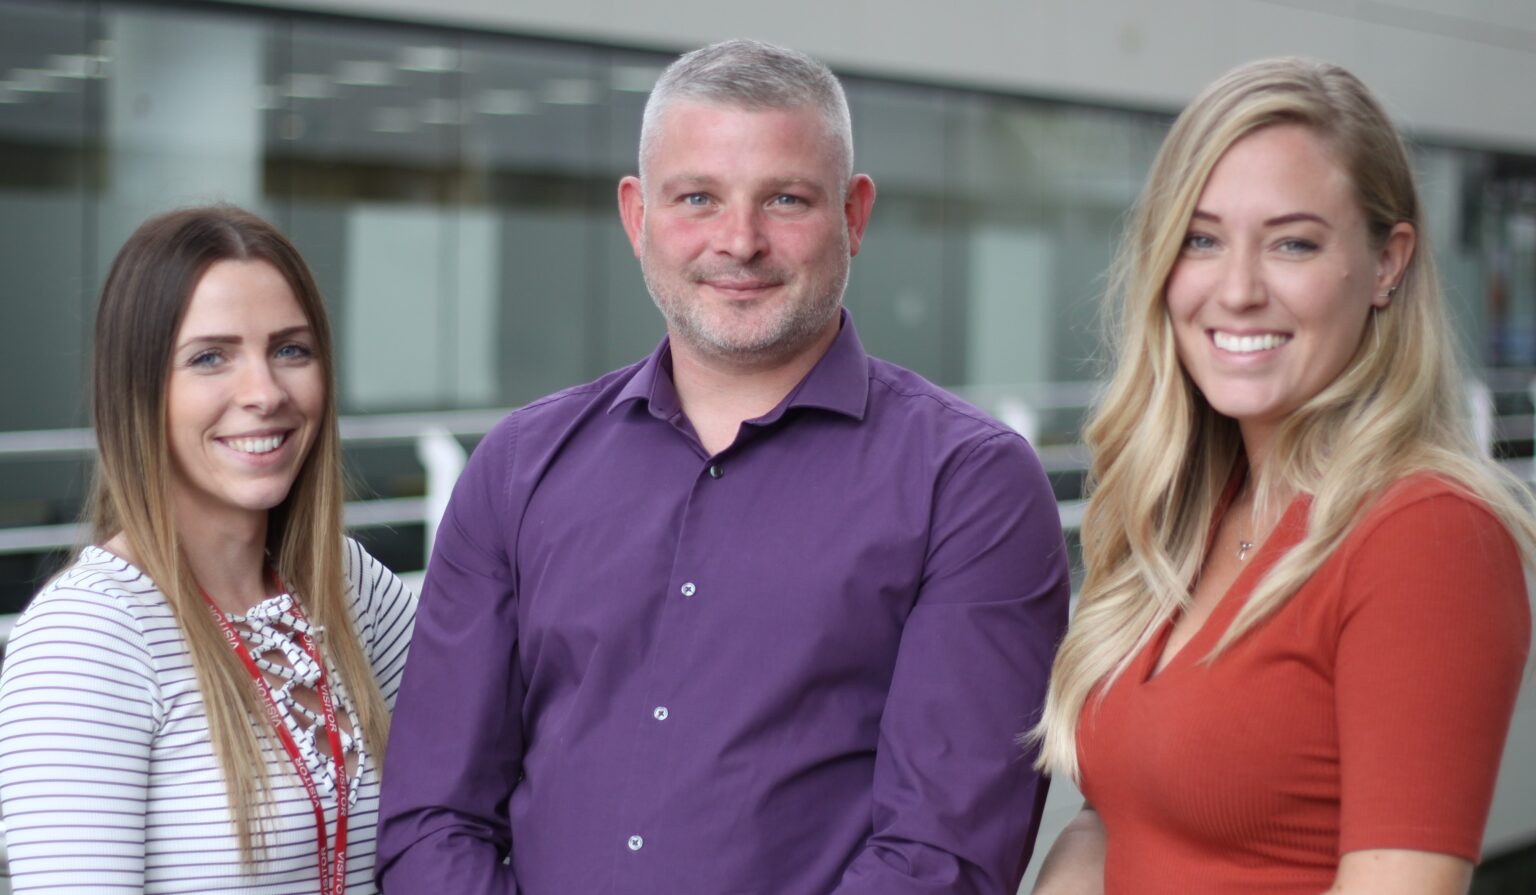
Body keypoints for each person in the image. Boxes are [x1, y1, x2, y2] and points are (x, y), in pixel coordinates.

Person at [377, 39, 1071, 895]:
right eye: (697, 198)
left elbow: (942, 855)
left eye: (785, 199)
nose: (739, 242)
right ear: (637, 215)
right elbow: (433, 819)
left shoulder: (970, 486)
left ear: (854, 214)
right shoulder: (517, 468)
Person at [1028, 58, 1534, 895]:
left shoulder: (1428, 533)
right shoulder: (1189, 509)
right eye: (1202, 238)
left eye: (1293, 242)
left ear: (1387, 263)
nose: (1237, 290)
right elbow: (1115, 817)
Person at [0, 206, 416, 894]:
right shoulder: (88, 634)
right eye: (209, 357)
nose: (265, 393)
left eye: (291, 349)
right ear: (137, 391)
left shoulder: (351, 585)